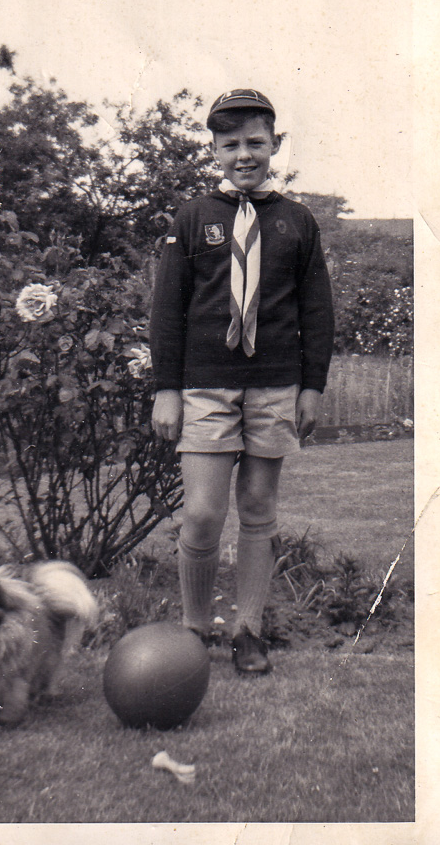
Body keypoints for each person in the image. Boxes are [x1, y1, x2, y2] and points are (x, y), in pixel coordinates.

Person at [150, 89, 334, 674]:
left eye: (256, 142)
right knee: (203, 512)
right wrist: (165, 388)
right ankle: (193, 629)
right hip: (206, 383)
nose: (244, 155)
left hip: (275, 383)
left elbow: (317, 310)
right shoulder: (193, 217)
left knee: (258, 504)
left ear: (274, 144)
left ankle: (248, 629)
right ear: (214, 149)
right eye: (230, 144)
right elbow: (167, 309)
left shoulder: (296, 221)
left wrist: (312, 387)